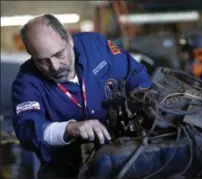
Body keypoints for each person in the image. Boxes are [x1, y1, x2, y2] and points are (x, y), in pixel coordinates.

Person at [11, 14, 152, 178]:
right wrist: (70, 128)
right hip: (66, 170)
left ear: (69, 39)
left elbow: (134, 72)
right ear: (30, 54)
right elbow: (27, 129)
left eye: (59, 55)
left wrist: (147, 99)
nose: (55, 67)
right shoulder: (26, 83)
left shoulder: (96, 46)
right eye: (42, 61)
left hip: (123, 155)